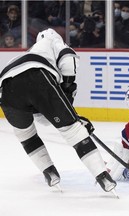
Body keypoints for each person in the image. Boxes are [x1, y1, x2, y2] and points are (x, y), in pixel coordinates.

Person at [0, 28, 116, 194]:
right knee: (73, 131)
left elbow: (43, 118)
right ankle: (102, 175)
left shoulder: (28, 52)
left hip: (6, 89)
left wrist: (68, 114)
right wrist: (72, 118)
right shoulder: (53, 41)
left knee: (25, 135)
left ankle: (49, 172)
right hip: (36, 75)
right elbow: (69, 60)